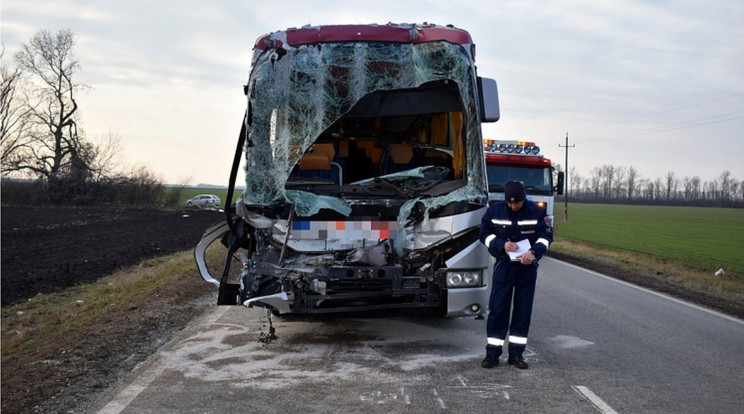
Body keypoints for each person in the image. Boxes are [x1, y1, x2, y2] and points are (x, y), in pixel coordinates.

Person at [478, 180, 553, 369]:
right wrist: (501, 244)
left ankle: (516, 354)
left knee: (522, 310)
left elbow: (546, 236)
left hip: (527, 268)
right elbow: (484, 234)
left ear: (523, 198)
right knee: (498, 310)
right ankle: (492, 354)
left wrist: (534, 252)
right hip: (504, 266)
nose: (513, 206)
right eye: (510, 203)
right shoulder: (495, 211)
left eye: (517, 203)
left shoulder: (537, 211)